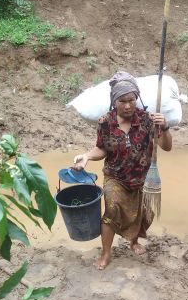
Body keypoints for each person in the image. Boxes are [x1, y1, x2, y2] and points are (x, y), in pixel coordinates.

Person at [73, 71, 172, 270]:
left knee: (145, 213)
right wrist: (87, 157)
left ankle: (134, 241)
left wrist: (166, 127)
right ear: (114, 101)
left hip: (142, 178)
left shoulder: (148, 119)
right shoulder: (105, 122)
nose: (127, 105)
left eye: (131, 100)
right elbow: (101, 148)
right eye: (122, 101)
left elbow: (167, 146)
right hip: (115, 176)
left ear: (137, 99)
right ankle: (106, 252)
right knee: (112, 209)